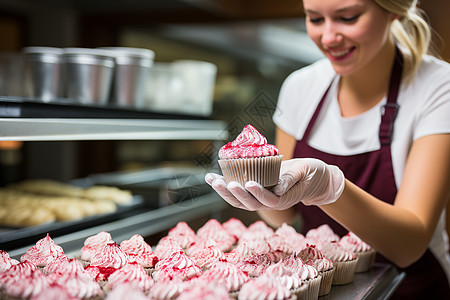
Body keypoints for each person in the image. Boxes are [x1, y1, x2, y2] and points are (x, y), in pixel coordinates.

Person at [205, 0, 450, 298]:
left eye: (348, 17)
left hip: (411, 285)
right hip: (320, 287)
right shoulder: (300, 87)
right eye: (315, 19)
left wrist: (330, 188)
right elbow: (284, 216)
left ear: (393, 11)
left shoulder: (438, 86)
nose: (329, 37)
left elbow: (409, 245)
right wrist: (263, 197)